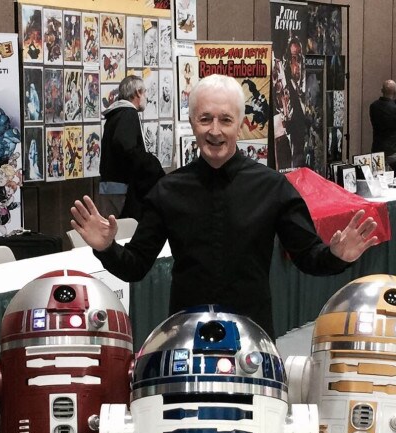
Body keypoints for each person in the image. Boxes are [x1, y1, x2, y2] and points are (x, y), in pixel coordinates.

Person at [70, 74, 380, 339]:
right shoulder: (166, 191)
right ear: (193, 123)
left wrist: (336, 256)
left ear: (241, 125)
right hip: (186, 336)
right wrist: (107, 247)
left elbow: (308, 257)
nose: (215, 130)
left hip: (252, 337)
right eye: (205, 119)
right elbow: (135, 265)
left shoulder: (273, 188)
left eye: (225, 120)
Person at [98, 75, 165, 220]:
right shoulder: (129, 113)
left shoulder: (114, 115)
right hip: (123, 188)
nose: (146, 97)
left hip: (107, 186)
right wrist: (150, 163)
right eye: (145, 92)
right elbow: (126, 146)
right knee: (127, 233)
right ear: (137, 93)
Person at [369, 79, 396, 161]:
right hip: (393, 150)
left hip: (377, 148)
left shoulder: (373, 106)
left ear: (382, 90)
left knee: (377, 173)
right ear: (395, 91)